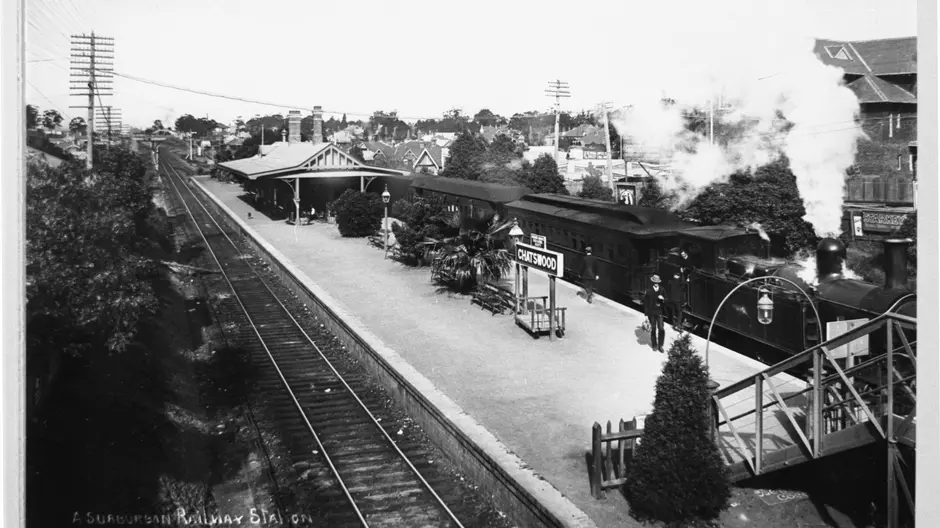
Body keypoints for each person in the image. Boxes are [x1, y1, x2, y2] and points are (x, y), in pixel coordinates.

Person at [643, 274, 667, 353]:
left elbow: (666, 299)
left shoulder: (662, 290)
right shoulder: (648, 291)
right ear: (652, 282)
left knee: (661, 328)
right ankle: (654, 345)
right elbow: (645, 303)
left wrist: (663, 299)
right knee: (653, 329)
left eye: (657, 282)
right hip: (651, 313)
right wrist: (646, 315)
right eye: (655, 282)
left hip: (659, 312)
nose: (656, 283)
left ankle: (660, 345)